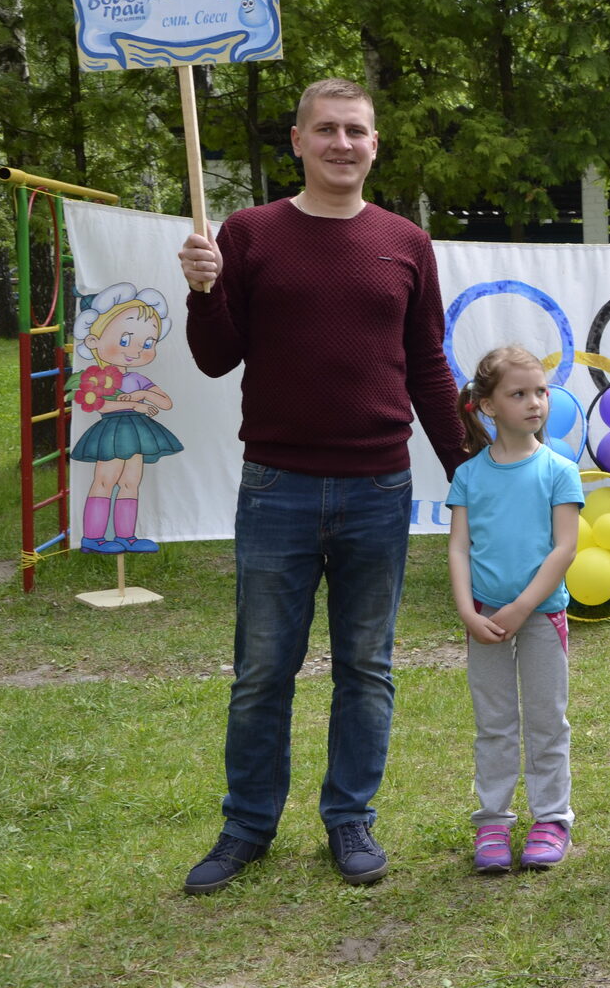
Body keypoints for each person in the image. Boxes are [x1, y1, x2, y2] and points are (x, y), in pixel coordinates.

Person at [176, 78, 467, 894]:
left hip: (377, 489)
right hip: (278, 488)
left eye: (358, 131)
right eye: (327, 130)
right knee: (263, 669)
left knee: (365, 668)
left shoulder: (407, 243)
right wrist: (204, 292)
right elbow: (214, 355)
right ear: (298, 141)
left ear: (376, 145)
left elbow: (426, 366)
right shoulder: (249, 233)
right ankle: (247, 827)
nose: (343, 143)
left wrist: (467, 470)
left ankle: (350, 819)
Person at [447, 346, 582, 873]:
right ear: (487, 405)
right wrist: (467, 610)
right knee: (495, 723)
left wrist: (523, 606)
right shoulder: (469, 475)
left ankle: (551, 818)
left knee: (548, 720)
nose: (535, 403)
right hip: (484, 621)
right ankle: (494, 823)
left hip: (542, 618)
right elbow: (458, 547)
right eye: (519, 393)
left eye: (541, 392)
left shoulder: (558, 470)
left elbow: (564, 548)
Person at [71, 283, 184, 554]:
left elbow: (165, 402)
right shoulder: (96, 377)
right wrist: (136, 402)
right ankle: (93, 537)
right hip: (111, 434)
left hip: (137, 433)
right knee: (104, 480)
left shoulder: (137, 378)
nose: (135, 350)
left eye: (147, 343)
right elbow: (100, 406)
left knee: (131, 482)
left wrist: (144, 395)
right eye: (125, 340)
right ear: (93, 341)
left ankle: (126, 536)